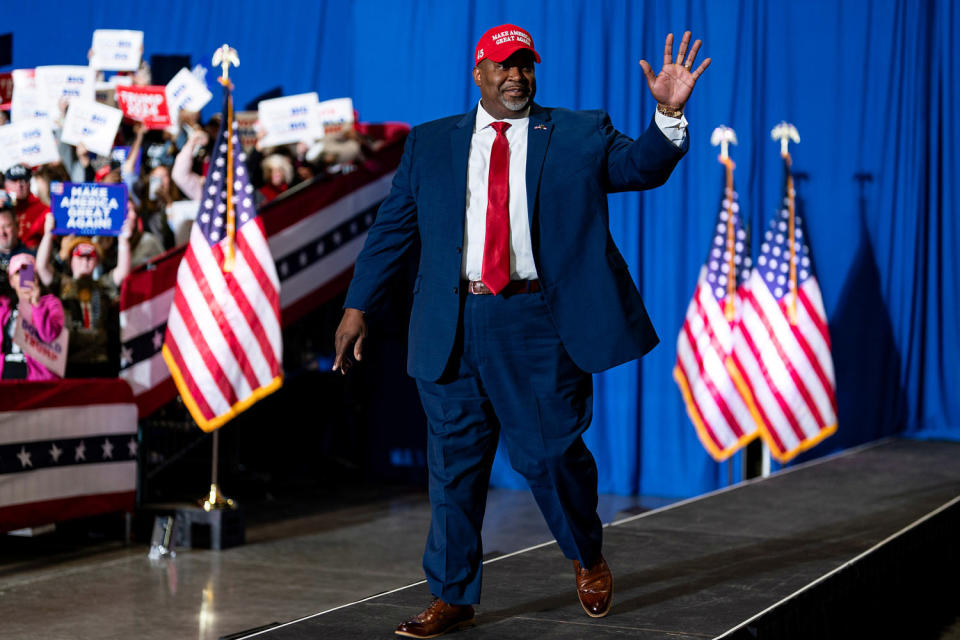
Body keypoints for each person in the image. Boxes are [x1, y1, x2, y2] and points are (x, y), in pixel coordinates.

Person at [333, 23, 710, 638]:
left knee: (552, 457)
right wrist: (358, 307)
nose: (516, 76)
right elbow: (392, 232)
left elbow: (643, 167)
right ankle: (452, 595)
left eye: (525, 66)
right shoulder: (430, 145)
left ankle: (586, 556)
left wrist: (668, 113)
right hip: (450, 321)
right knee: (453, 469)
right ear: (478, 74)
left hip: (536, 323)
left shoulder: (580, 133)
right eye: (504, 66)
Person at [1, 253, 65, 381]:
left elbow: (50, 336)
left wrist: (36, 304)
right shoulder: (4, 306)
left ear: (36, 277)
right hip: (7, 373)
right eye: (19, 273)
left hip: (37, 377)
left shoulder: (51, 303)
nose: (25, 277)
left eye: (28, 272)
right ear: (11, 281)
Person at [4, 164, 49, 250]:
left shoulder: (42, 207)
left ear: (30, 183)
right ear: (6, 184)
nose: (19, 186)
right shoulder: (3, 204)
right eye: (14, 181)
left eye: (23, 180)